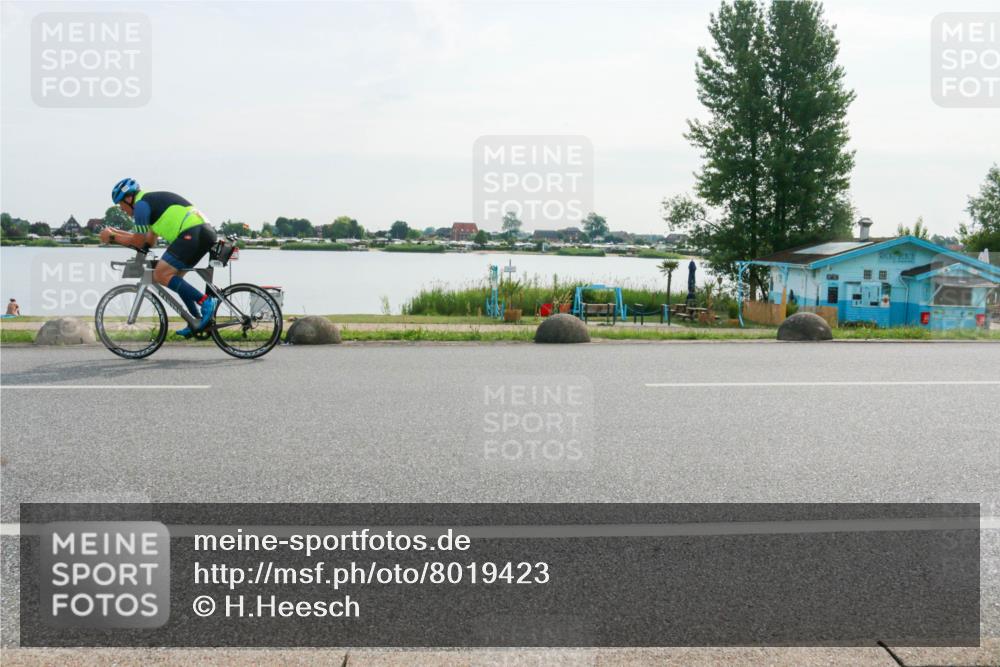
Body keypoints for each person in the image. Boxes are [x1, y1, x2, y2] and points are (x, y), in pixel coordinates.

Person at [99, 178, 218, 337]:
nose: (121, 209)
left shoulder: (141, 206)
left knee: (160, 274)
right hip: (201, 232)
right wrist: (117, 234)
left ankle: (205, 301)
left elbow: (138, 240)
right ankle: (196, 321)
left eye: (120, 204)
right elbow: (149, 241)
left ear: (129, 198)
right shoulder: (149, 203)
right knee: (174, 278)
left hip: (193, 232)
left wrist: (113, 237)